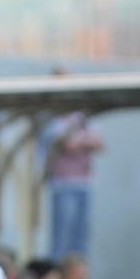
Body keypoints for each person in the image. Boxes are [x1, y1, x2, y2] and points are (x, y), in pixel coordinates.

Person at [42, 100, 105, 260]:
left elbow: (99, 143)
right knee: (62, 238)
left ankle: (78, 275)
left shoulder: (83, 119)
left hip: (84, 185)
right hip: (63, 185)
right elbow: (67, 144)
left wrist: (80, 141)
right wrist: (83, 141)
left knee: (81, 238)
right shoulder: (54, 120)